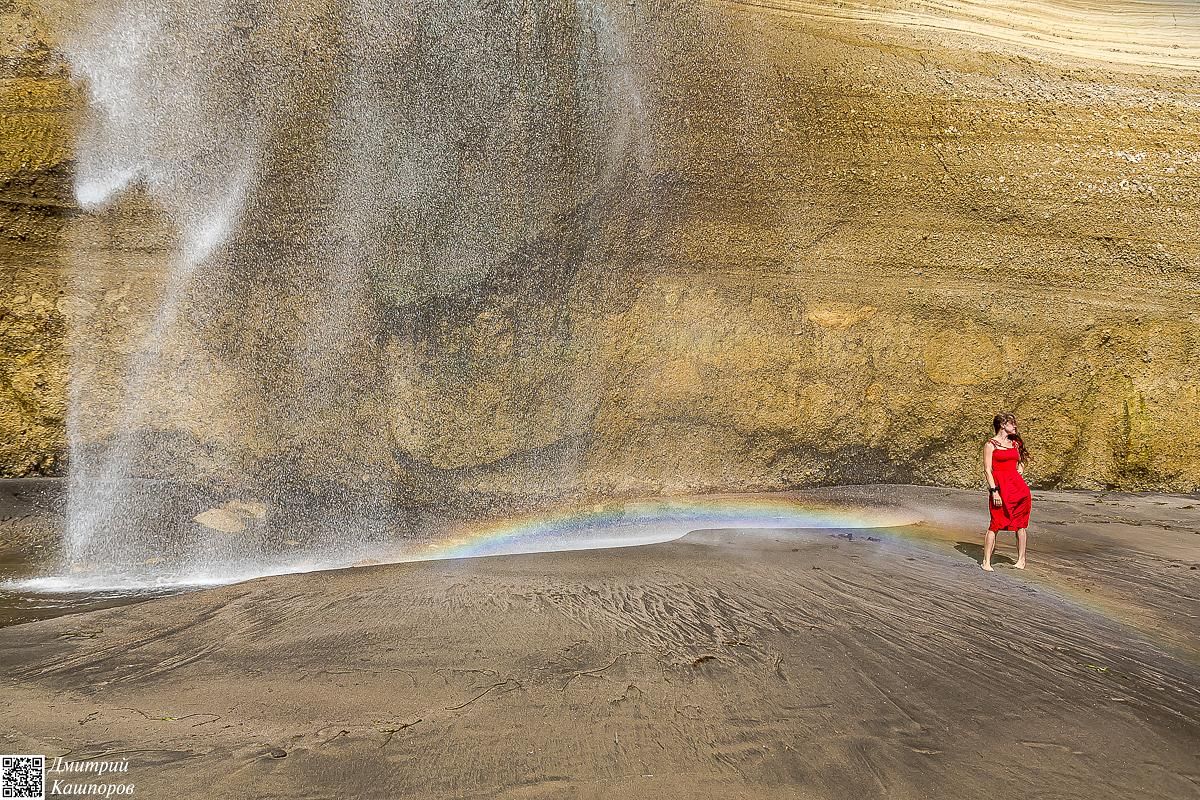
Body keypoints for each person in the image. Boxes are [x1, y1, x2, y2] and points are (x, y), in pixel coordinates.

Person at [981, 412, 1031, 571]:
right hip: (1000, 489)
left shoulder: (1015, 444)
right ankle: (986, 562)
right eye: (1012, 423)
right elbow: (987, 470)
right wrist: (994, 491)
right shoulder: (990, 445)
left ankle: (1021, 560)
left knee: (1021, 525)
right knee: (995, 524)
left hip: (1019, 489)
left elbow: (1022, 460)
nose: (1015, 426)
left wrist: (1019, 472)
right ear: (1003, 425)